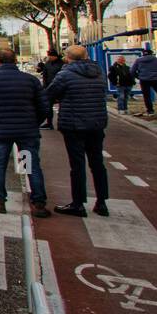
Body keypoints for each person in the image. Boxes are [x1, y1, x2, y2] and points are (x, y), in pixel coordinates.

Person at [0, 47, 50, 217]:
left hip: (0, 132)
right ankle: (38, 202)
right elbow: (44, 107)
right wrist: (33, 123)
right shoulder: (30, 81)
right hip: (26, 132)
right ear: (16, 61)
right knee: (30, 165)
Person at [46, 45, 110, 217]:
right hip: (96, 123)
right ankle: (102, 202)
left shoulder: (65, 75)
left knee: (77, 165)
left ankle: (78, 203)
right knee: (97, 164)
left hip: (74, 124)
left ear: (68, 57)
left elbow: (50, 95)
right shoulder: (98, 72)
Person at [132, 45, 157, 115]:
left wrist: (139, 77)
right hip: (156, 79)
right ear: (151, 53)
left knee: (146, 96)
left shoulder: (138, 60)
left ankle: (150, 111)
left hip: (144, 80)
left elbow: (132, 71)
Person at [37, 49, 64, 128]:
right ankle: (49, 123)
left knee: (63, 106)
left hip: (61, 87)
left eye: (50, 56)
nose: (49, 57)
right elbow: (45, 76)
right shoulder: (47, 64)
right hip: (49, 88)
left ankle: (61, 122)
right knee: (48, 106)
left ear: (54, 56)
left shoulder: (62, 64)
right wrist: (45, 87)